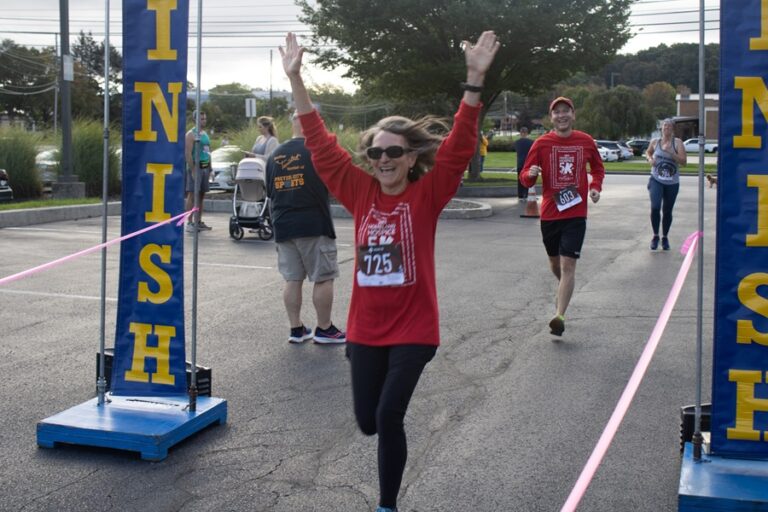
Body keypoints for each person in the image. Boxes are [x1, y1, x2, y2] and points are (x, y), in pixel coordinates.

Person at [280, 30, 499, 512]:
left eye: (393, 153)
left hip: (415, 330)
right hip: (364, 330)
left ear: (411, 158)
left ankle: (386, 505)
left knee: (389, 414)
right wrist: (296, 79)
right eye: (376, 153)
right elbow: (320, 143)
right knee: (366, 420)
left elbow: (460, 147)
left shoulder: (427, 194)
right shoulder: (360, 193)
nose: (383, 160)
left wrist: (474, 81)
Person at [518, 97, 605, 336]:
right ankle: (564, 287)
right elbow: (524, 177)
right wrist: (531, 174)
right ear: (552, 117)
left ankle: (559, 316)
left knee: (568, 265)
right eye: (557, 112)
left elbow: (597, 168)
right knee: (555, 263)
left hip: (576, 213)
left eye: (566, 111)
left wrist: (596, 186)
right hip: (550, 213)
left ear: (573, 115)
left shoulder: (585, 141)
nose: (562, 115)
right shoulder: (542, 143)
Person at [266, 112, 346, 345]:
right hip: (313, 223)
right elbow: (334, 184)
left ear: (292, 124)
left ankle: (296, 329)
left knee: (293, 279)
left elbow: (270, 192)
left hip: (283, 224)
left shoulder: (274, 155)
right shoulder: (317, 152)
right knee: (323, 278)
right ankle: (324, 329)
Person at [645, 118, 686, 251]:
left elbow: (684, 162)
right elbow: (648, 152)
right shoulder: (655, 142)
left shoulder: (678, 143)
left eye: (669, 126)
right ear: (661, 129)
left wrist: (671, 153)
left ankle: (665, 237)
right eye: (664, 126)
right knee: (655, 207)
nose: (666, 128)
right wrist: (650, 159)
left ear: (672, 129)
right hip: (656, 179)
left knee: (667, 210)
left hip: (672, 182)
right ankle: (655, 236)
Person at [184, 110, 212, 232]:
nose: (204, 121)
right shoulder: (190, 134)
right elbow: (188, 154)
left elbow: (207, 152)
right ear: (195, 120)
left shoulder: (205, 134)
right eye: (201, 119)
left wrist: (210, 168)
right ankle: (189, 223)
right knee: (192, 194)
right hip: (196, 167)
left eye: (205, 118)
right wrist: (193, 169)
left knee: (201, 195)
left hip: (205, 166)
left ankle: (198, 221)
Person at [514, 126, 534, 199]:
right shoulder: (531, 142)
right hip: (527, 163)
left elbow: (517, 153)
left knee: (519, 179)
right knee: (527, 179)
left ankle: (520, 195)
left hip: (519, 163)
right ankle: (526, 193)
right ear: (527, 133)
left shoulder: (516, 142)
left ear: (520, 133)